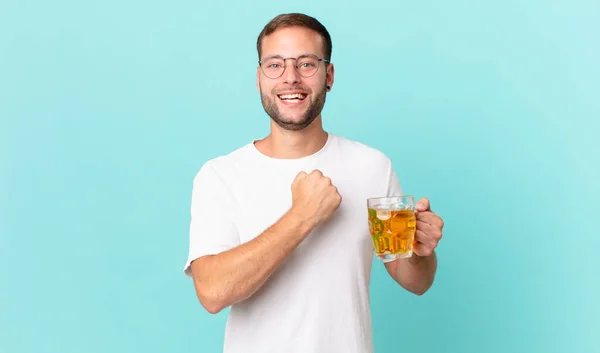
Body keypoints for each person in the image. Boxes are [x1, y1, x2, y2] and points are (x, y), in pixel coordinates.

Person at [183, 12, 444, 353]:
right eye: (275, 65)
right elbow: (212, 292)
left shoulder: (372, 167)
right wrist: (302, 216)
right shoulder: (220, 176)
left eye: (306, 64)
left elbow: (415, 280)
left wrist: (421, 253)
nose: (290, 78)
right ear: (260, 78)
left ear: (329, 75)